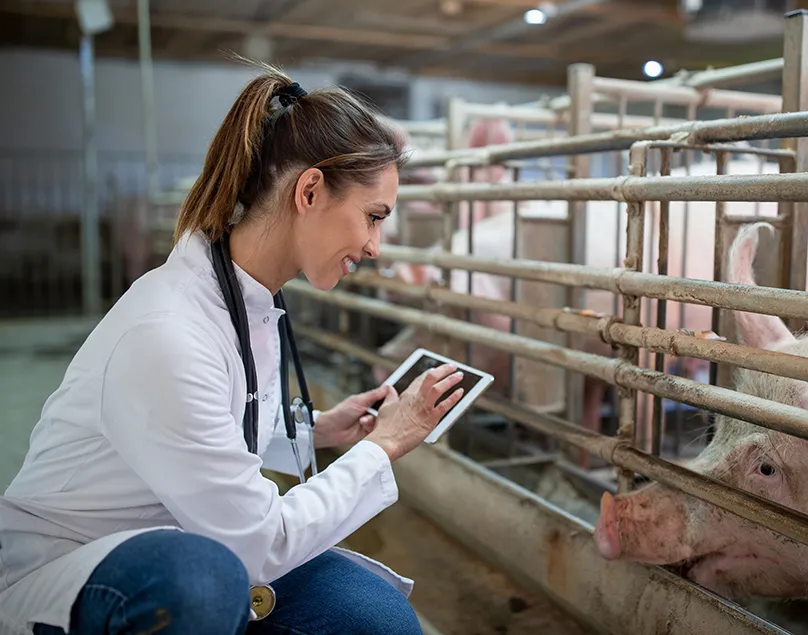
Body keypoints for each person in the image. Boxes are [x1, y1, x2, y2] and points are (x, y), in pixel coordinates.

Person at [0, 63, 467, 635]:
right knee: (198, 581)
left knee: (377, 617)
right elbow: (258, 543)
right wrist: (387, 444)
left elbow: (208, 430)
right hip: (83, 564)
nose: (374, 246)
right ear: (311, 190)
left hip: (193, 538)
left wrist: (315, 430)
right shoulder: (167, 332)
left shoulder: (246, 300)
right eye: (373, 218)